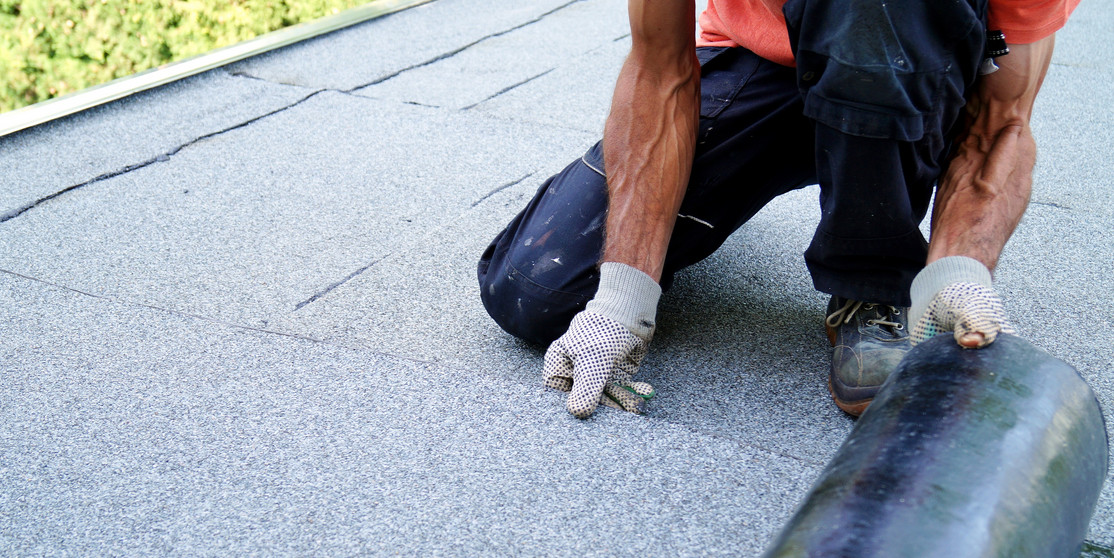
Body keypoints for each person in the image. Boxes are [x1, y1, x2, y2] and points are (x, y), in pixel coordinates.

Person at [477, 0, 1077, 418]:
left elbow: (1001, 121)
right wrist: (622, 293)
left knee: (879, 12)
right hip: (761, 67)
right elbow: (660, 72)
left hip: (908, 84)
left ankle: (870, 277)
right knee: (535, 291)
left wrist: (959, 268)